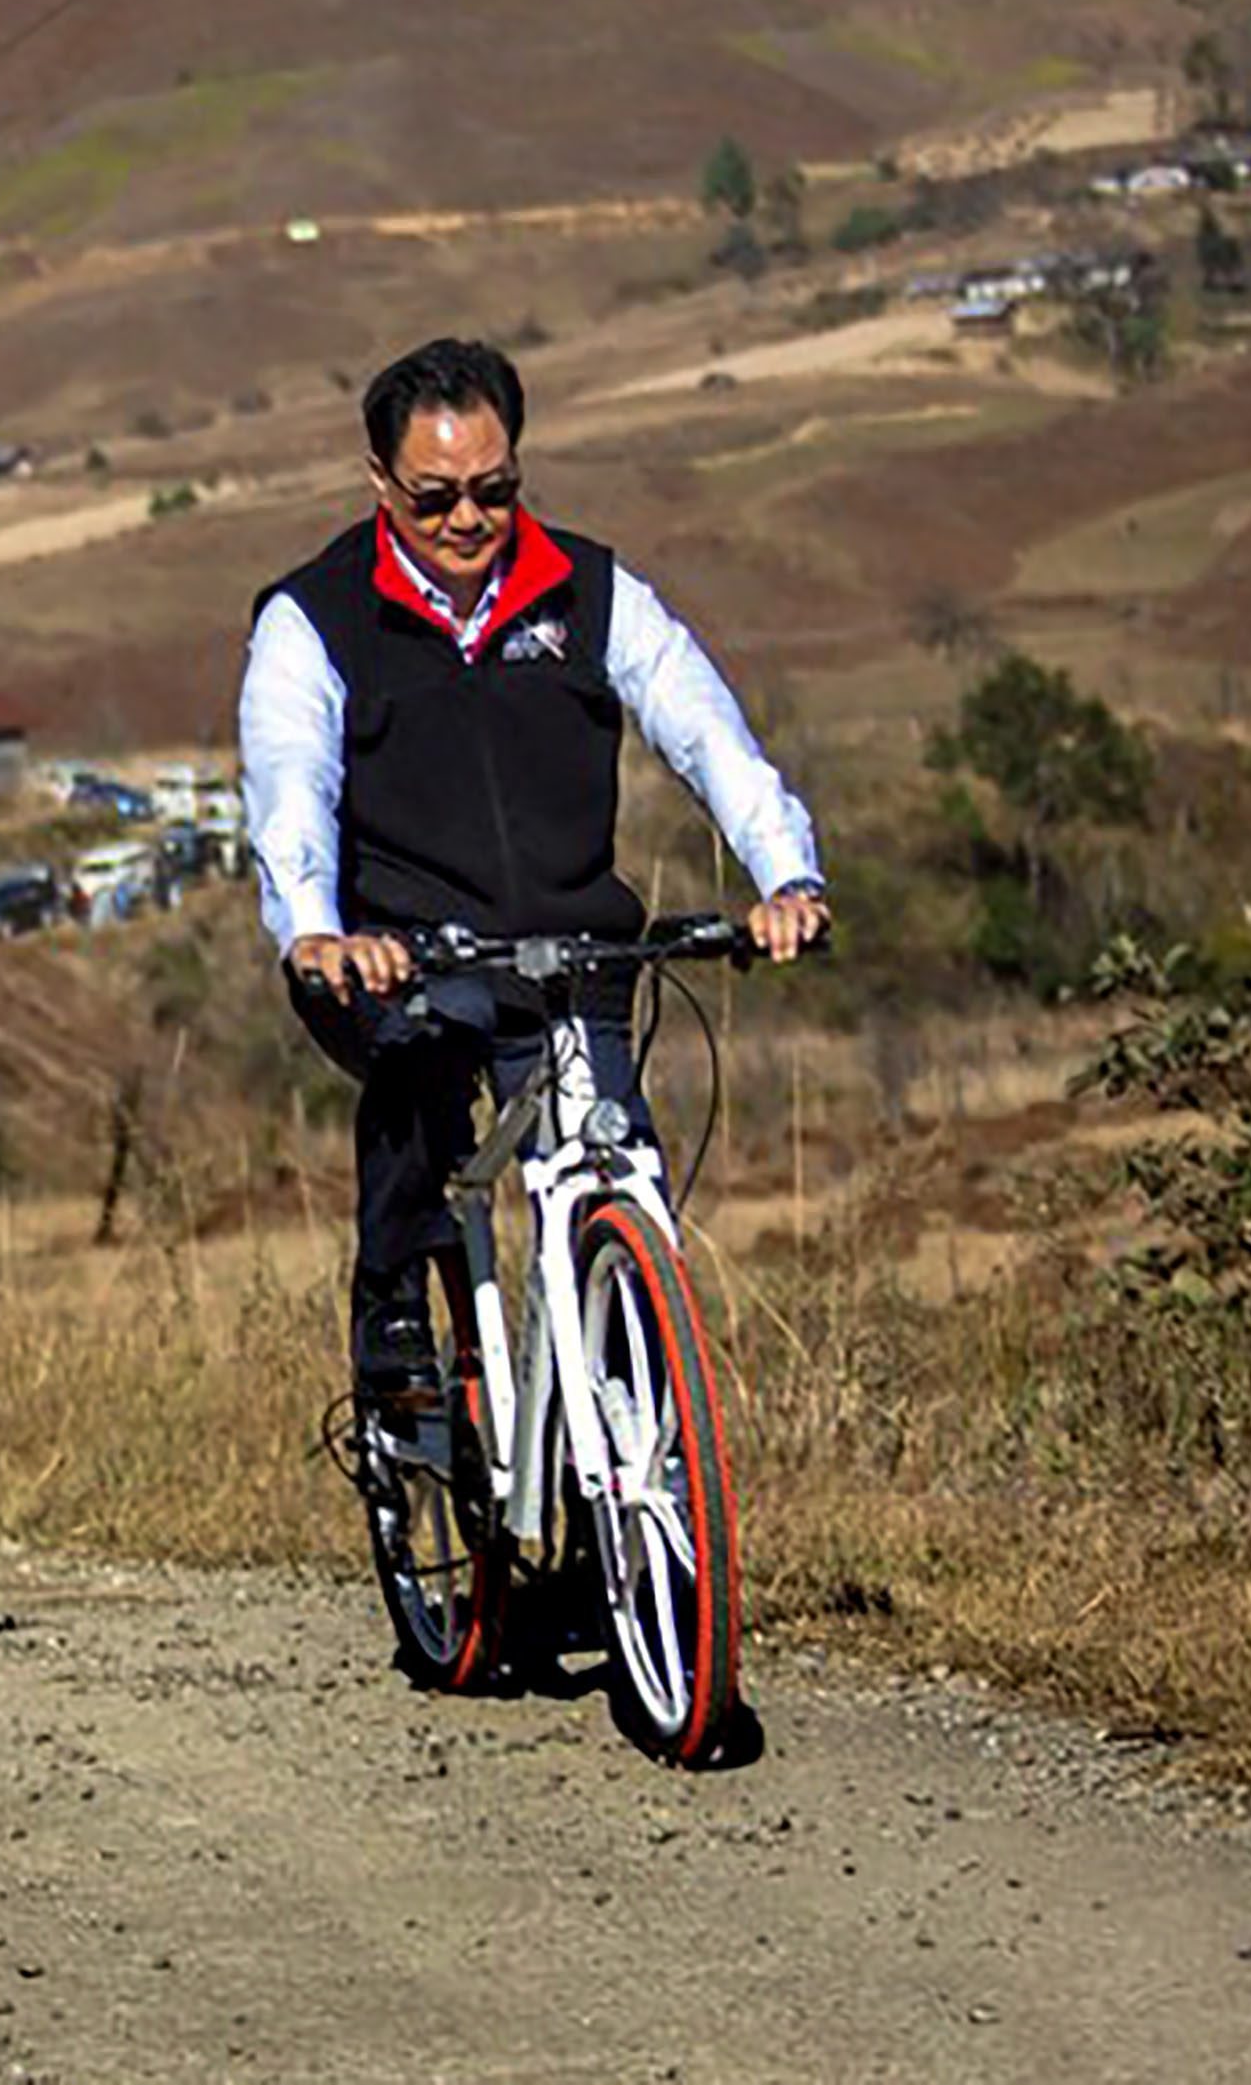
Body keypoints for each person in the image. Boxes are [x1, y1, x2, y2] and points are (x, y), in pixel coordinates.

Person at [239, 336, 831, 1412]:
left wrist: (787, 878)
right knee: (422, 1052)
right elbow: (291, 787)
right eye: (434, 498)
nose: (466, 519)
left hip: (570, 957)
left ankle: (629, 1462)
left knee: (617, 1177)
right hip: (398, 958)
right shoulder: (313, 619)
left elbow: (709, 739)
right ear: (379, 483)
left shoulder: (593, 593)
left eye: (494, 491)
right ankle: (395, 1309)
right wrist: (316, 930)